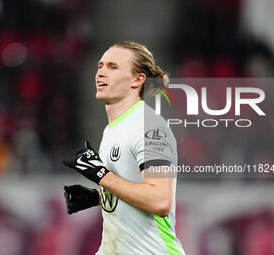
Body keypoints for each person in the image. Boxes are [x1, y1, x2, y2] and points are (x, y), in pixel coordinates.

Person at [63, 41, 186, 255]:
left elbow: (160, 200)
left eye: (113, 67)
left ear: (137, 80)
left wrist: (102, 176)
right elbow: (132, 186)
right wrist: (99, 196)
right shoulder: (113, 130)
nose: (101, 73)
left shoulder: (150, 127)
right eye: (100, 66)